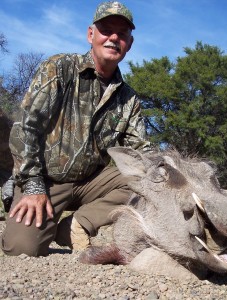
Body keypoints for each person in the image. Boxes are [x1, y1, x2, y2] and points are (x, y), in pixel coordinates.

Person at [0, 1, 151, 257]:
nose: (114, 38)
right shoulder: (58, 68)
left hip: (90, 182)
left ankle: (78, 224)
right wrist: (34, 185)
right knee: (22, 247)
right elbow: (26, 128)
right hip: (46, 179)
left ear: (130, 43)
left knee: (148, 180)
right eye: (106, 30)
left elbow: (143, 153)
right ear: (91, 34)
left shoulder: (130, 99)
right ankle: (17, 190)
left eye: (122, 34)